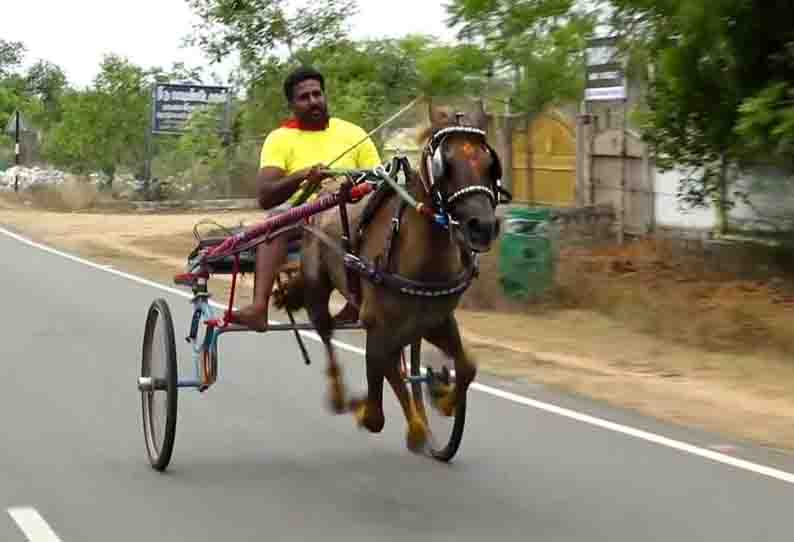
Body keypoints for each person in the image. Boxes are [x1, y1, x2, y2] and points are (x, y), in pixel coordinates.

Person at [228, 66, 382, 332]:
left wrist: (351, 188)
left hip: (352, 212)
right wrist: (301, 177)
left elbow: (378, 180)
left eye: (317, 94)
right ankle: (259, 309)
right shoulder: (280, 139)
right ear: (291, 104)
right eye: (304, 97)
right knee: (273, 223)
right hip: (303, 215)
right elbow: (266, 196)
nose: (313, 101)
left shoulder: (354, 133)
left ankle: (360, 303)